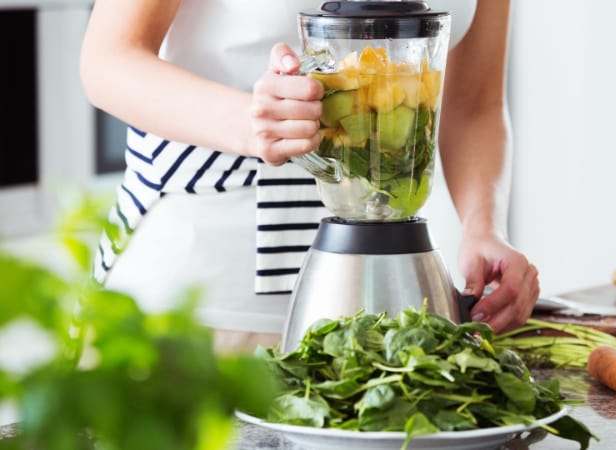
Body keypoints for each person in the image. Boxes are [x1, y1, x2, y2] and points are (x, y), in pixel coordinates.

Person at [79, 0, 539, 353]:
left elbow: (473, 103)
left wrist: (485, 228)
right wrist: (251, 122)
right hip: (197, 307)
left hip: (385, 311)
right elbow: (107, 61)